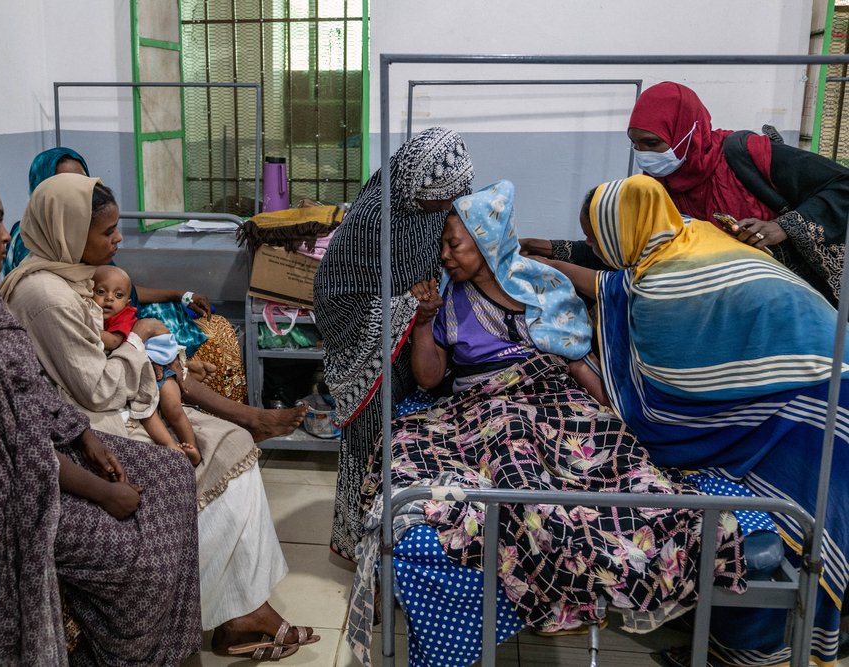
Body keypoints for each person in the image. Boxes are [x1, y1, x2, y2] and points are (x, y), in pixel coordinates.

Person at [346, 180, 749, 667]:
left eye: (454, 244)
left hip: (556, 398)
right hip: (485, 405)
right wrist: (424, 322)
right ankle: (540, 519)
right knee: (510, 454)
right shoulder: (447, 301)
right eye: (443, 246)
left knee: (613, 452)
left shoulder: (545, 286)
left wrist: (624, 426)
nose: (445, 256)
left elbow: (579, 363)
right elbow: (431, 380)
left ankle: (618, 512)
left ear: (487, 238)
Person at [0, 164, 202, 664]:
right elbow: (2, 446)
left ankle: (166, 649)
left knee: (174, 474)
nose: (7, 235)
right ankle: (126, 655)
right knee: (139, 555)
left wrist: (84, 436)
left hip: (31, 453)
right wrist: (103, 491)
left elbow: (29, 390)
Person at [0, 173, 317, 659]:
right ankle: (231, 613)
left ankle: (244, 610)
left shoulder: (68, 278)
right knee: (225, 456)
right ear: (68, 230)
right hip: (91, 426)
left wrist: (143, 342)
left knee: (233, 444)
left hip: (109, 407)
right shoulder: (47, 296)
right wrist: (140, 339)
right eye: (107, 233)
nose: (118, 239)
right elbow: (98, 389)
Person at [567, 173, 849, 667]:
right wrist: (546, 258)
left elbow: (655, 410)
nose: (594, 247)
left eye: (595, 237)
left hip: (811, 398)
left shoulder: (664, 290)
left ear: (621, 230)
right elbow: (613, 282)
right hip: (826, 362)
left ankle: (757, 656)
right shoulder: (689, 233)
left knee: (797, 525)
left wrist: (575, 365)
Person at [523, 82, 849, 306]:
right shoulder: (656, 188)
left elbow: (842, 185)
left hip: (787, 295)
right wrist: (551, 249)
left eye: (652, 143)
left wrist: (783, 228)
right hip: (721, 306)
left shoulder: (747, 155)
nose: (643, 154)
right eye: (636, 144)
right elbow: (627, 250)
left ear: (688, 132)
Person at [313, 126, 475, 560]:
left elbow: (427, 262)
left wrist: (421, 309)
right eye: (437, 200)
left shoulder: (427, 210)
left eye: (448, 201)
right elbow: (331, 294)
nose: (442, 210)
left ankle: (392, 546)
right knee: (367, 444)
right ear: (414, 186)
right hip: (368, 346)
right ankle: (356, 548)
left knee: (398, 445)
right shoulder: (373, 220)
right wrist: (405, 308)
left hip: (408, 342)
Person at [3, 146, 252, 404]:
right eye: (67, 184)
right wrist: (138, 335)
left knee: (218, 328)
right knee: (198, 346)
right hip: (113, 330)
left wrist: (181, 295)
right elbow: (94, 372)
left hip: (121, 317)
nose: (117, 237)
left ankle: (233, 414)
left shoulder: (83, 250)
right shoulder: (43, 258)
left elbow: (120, 288)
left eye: (82, 183)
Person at [92, 264, 201, 468]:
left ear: (127, 302)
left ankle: (192, 447)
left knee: (173, 407)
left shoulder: (123, 317)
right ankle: (172, 447)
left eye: (118, 295)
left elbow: (115, 342)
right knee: (147, 414)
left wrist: (85, 330)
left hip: (156, 368)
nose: (109, 299)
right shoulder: (94, 317)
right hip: (138, 377)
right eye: (100, 292)